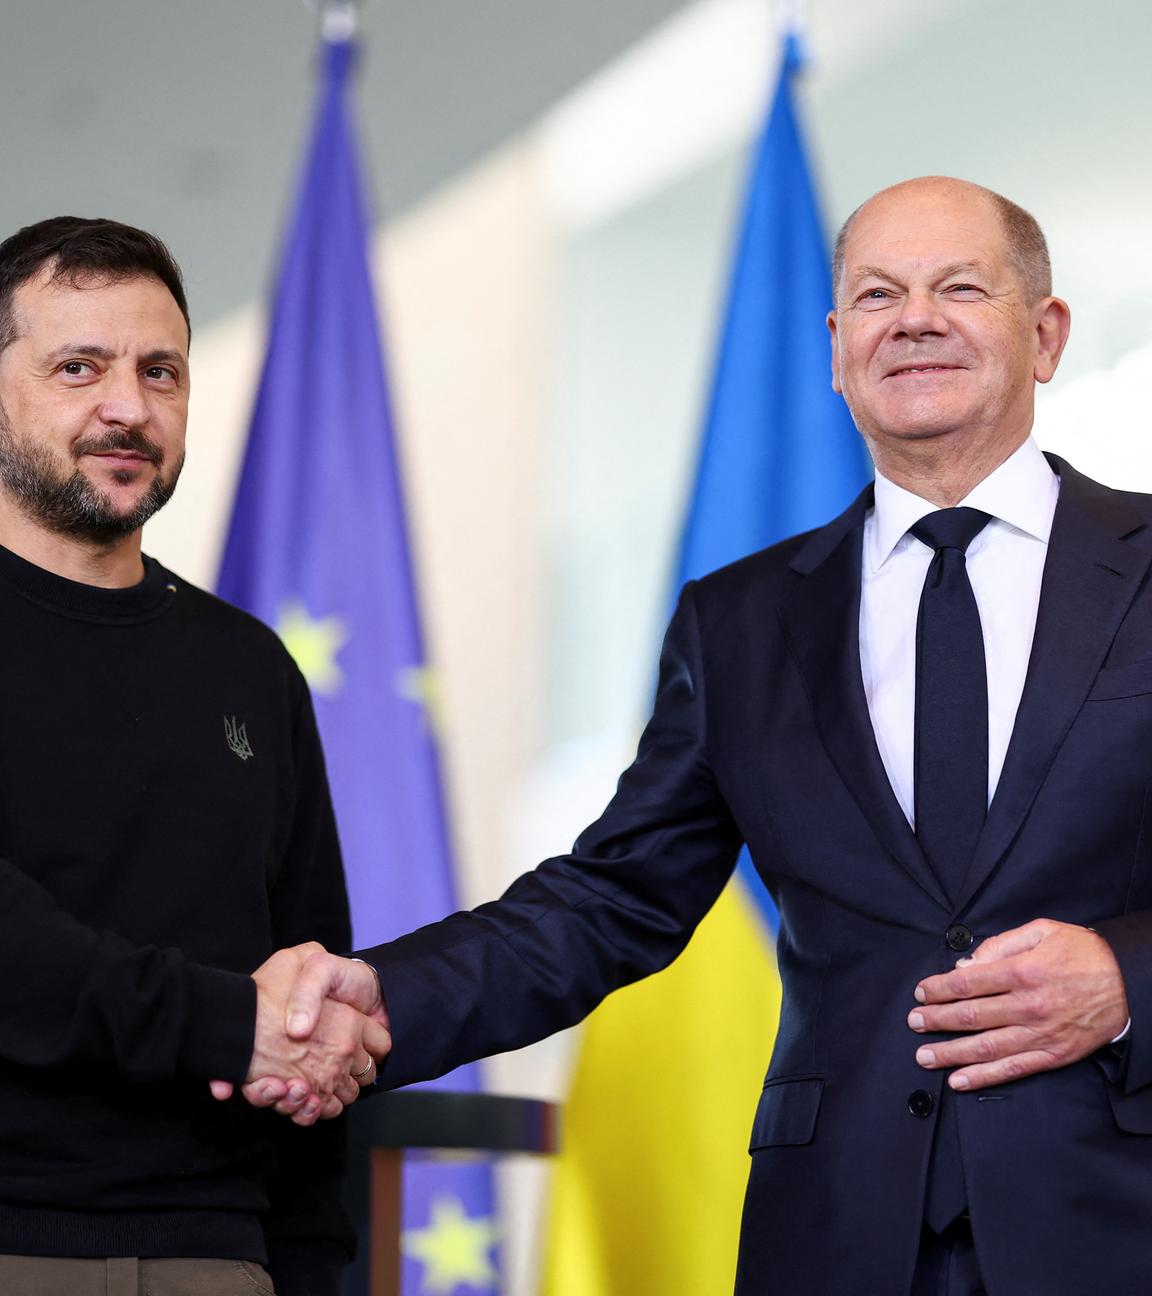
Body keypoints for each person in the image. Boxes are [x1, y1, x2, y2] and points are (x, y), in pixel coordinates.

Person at [258, 176, 1152, 1295]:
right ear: (836, 348)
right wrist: (375, 1000)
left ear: (1047, 332)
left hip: (1118, 1216)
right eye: (876, 295)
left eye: (959, 286)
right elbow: (611, 898)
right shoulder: (742, 620)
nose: (913, 317)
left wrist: (1129, 976)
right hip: (836, 1235)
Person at [0, 216, 388, 1296]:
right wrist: (225, 1026)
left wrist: (310, 1271)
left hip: (222, 1255)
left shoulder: (250, 669)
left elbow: (307, 981)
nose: (128, 406)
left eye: (160, 371)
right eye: (78, 367)